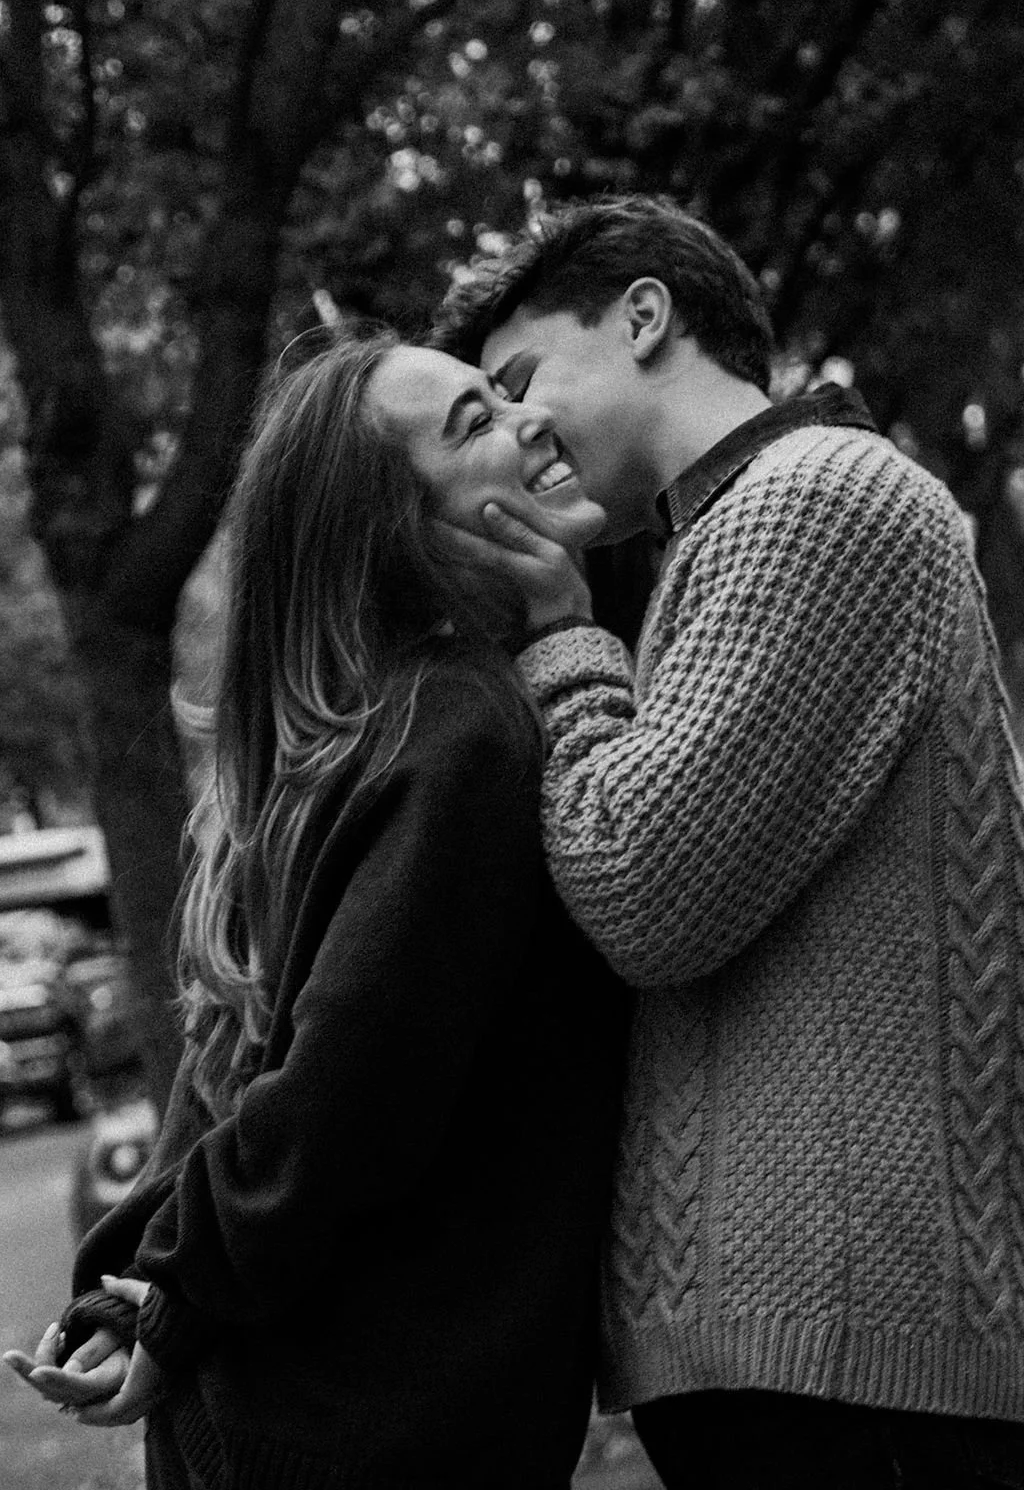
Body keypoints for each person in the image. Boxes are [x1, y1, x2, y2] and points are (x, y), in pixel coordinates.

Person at [431, 194, 1024, 1489]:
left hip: (848, 1355)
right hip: (808, 1347)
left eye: (519, 382)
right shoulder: (726, 528)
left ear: (644, 316)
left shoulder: (812, 499)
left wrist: (560, 636)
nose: (516, 436)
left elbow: (644, 890)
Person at [4, 331, 626, 1489]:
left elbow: (225, 1073)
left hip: (283, 1413)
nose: (531, 419)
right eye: (477, 423)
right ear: (398, 529)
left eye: (501, 396)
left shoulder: (344, 743)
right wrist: (168, 1290)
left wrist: (151, 1289)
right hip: (364, 1428)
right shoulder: (465, 737)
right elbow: (343, 1088)